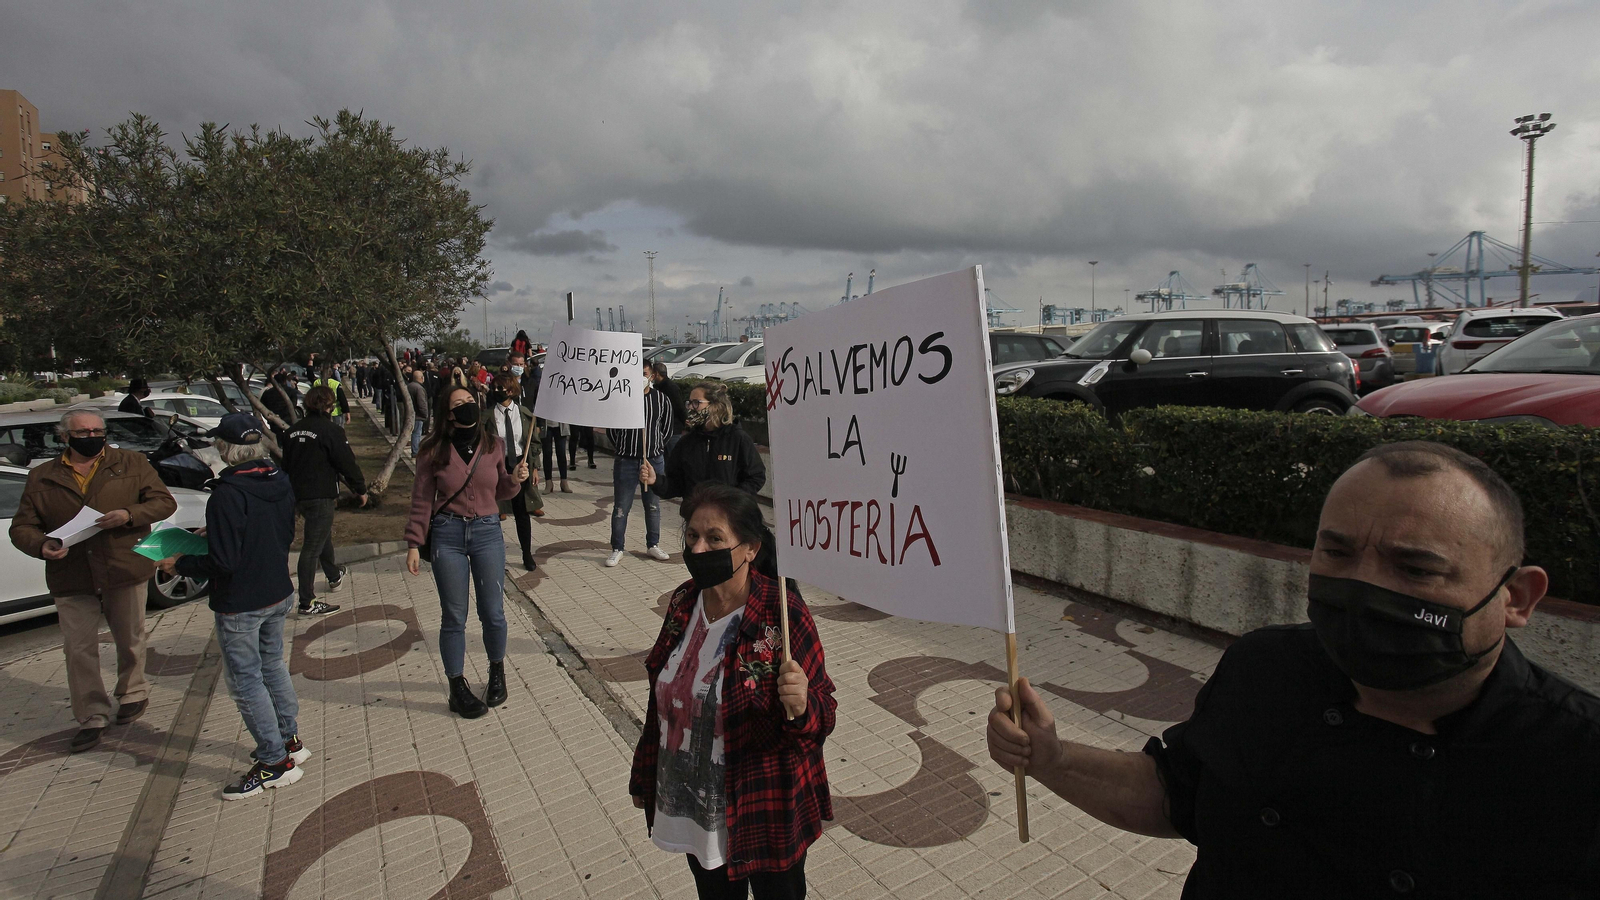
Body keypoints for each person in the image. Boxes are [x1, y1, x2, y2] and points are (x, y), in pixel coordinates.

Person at [986, 441, 1600, 898]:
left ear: (1517, 597)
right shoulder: (1267, 668)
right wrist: (1051, 759)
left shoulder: (1576, 762)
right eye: (1337, 552)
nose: (1362, 587)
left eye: (1414, 569)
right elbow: (1179, 794)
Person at [629, 483, 835, 898]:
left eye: (715, 538)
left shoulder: (783, 615)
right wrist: (645, 777)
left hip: (763, 808)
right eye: (691, 536)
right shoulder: (684, 602)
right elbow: (663, 698)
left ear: (750, 549)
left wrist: (802, 705)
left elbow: (822, 716)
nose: (699, 549)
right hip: (694, 808)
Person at [158, 413, 311, 799]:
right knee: (273, 666)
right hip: (278, 589)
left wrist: (181, 563)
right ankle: (289, 740)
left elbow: (223, 562)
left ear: (225, 449)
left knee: (246, 681)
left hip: (242, 601)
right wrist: (216, 530)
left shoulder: (227, 493)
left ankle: (275, 763)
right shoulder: (277, 479)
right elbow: (276, 529)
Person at [8, 409, 177, 753]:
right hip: (71, 573)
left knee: (130, 637)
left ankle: (132, 692)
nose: (92, 437)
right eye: (83, 432)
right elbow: (21, 527)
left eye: (97, 430)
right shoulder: (42, 476)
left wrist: (129, 515)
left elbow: (163, 502)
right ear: (65, 436)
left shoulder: (130, 463)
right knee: (78, 649)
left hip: (122, 567)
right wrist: (41, 545)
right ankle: (92, 715)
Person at [405, 386, 528, 719]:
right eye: (458, 404)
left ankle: (497, 671)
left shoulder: (494, 445)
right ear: (447, 413)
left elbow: (501, 488)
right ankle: (457, 687)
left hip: (488, 532)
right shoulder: (432, 450)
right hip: (448, 534)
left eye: (470, 402)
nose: (467, 407)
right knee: (454, 616)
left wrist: (515, 480)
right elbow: (421, 498)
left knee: (493, 611)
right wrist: (414, 543)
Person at [281, 386, 368, 615]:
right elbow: (346, 462)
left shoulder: (292, 431)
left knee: (322, 535)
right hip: (320, 495)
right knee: (311, 547)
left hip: (297, 494)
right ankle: (306, 602)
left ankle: (333, 575)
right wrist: (360, 489)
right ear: (329, 406)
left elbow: (286, 465)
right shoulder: (331, 431)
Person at [642, 381, 764, 501]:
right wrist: (656, 481)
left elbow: (756, 476)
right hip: (696, 516)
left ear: (715, 405)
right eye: (689, 403)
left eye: (696, 403)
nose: (691, 407)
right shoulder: (686, 443)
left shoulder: (737, 438)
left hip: (728, 517)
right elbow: (676, 485)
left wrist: (732, 501)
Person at [603, 363, 674, 568]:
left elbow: (667, 429)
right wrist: (625, 448)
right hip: (626, 460)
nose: (640, 377)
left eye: (644, 374)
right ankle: (617, 548)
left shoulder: (661, 399)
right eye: (637, 374)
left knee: (652, 505)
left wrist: (655, 447)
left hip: (653, 460)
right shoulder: (622, 398)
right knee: (621, 507)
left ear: (651, 376)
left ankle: (653, 544)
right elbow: (612, 429)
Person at [485, 372, 541, 571]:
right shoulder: (488, 416)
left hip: (520, 464)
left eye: (502, 388)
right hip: (497, 466)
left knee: (522, 512)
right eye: (495, 388)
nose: (498, 391)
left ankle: (527, 554)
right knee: (494, 513)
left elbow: (533, 443)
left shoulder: (525, 414)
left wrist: (534, 467)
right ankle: (495, 556)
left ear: (512, 390)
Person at [650, 362, 687, 460]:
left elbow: (679, 407)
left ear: (656, 374)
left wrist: (685, 423)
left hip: (674, 428)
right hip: (664, 428)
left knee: (673, 457)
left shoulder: (670, 387)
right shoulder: (659, 387)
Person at [407, 368, 431, 458]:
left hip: (411, 414)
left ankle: (415, 450)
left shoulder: (409, 386)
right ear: (421, 378)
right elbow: (422, 403)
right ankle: (415, 451)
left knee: (414, 433)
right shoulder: (419, 388)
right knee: (417, 433)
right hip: (418, 415)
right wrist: (425, 414)